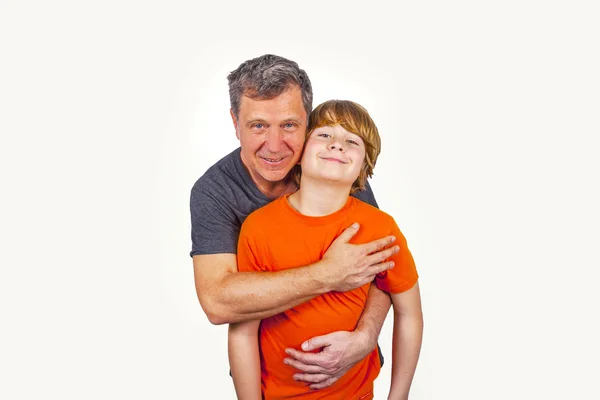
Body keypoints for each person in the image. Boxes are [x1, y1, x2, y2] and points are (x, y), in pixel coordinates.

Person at [190, 54, 398, 388]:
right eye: (258, 125)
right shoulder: (215, 191)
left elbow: (385, 267)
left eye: (289, 125)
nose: (274, 146)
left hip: (353, 379)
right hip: (273, 383)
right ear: (234, 122)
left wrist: (365, 336)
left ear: (308, 123)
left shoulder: (333, 169)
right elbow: (219, 302)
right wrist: (329, 274)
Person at [228, 100, 423, 400]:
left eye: (351, 141)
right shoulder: (258, 228)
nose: (337, 146)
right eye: (324, 135)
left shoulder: (380, 228)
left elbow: (409, 313)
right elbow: (243, 330)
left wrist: (398, 397)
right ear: (300, 153)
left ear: (364, 166)